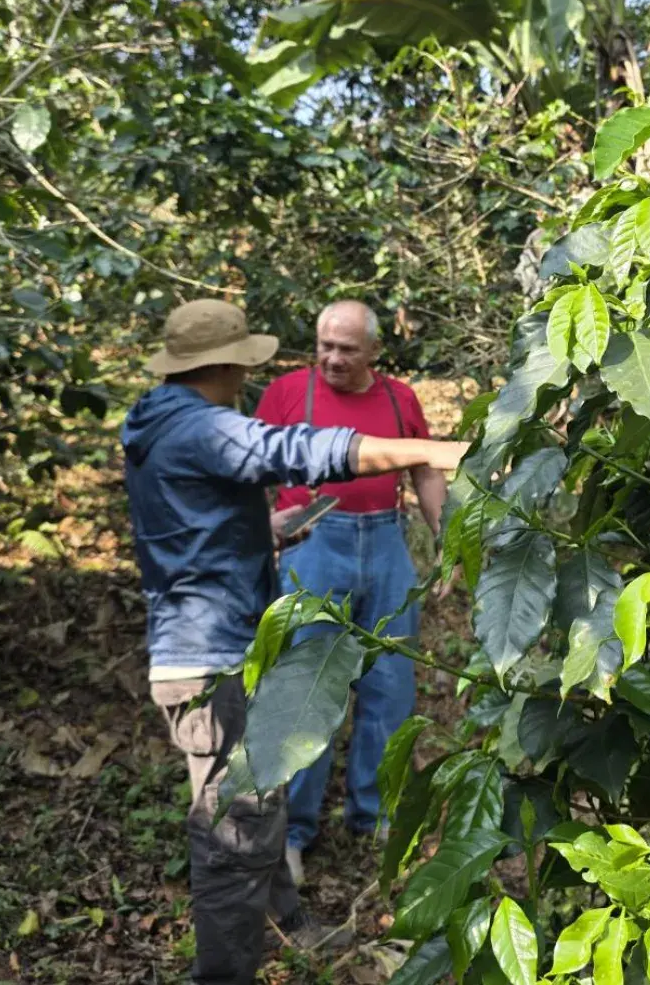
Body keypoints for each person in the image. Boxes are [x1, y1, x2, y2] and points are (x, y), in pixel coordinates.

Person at [121, 299, 466, 985]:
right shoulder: (199, 426)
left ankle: (288, 917)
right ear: (220, 367)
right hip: (208, 657)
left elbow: (188, 526)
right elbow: (302, 448)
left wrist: (268, 532)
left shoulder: (162, 422)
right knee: (232, 833)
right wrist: (425, 449)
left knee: (260, 791)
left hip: (223, 639)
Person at [253, 300, 443, 886]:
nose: (333, 359)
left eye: (347, 349)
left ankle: (375, 817)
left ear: (374, 352)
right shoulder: (286, 392)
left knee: (389, 688)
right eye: (325, 347)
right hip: (312, 544)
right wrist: (262, 537)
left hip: (385, 544)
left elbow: (425, 466)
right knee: (309, 691)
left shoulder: (399, 399)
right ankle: (293, 832)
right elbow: (248, 464)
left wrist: (444, 536)